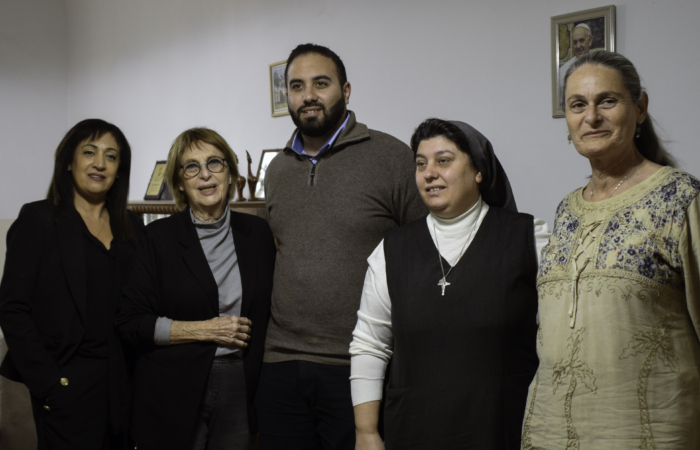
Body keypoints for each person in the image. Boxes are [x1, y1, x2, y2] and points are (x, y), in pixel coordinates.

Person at [522, 51, 700, 449]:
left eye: (607, 101)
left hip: (652, 431)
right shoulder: (567, 209)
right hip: (553, 431)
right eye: (577, 105)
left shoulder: (679, 197)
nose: (591, 117)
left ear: (640, 109)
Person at [256, 43, 427, 450]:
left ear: (346, 91)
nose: (308, 95)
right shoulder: (277, 169)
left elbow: (425, 252)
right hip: (280, 360)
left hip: (359, 364)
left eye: (321, 83)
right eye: (297, 86)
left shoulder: (391, 157)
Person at [349, 118, 550, 449]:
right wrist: (366, 432)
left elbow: (562, 339)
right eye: (420, 164)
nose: (429, 173)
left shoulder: (529, 238)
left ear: (479, 171)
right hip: (414, 431)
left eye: (443, 161)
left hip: (504, 429)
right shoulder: (392, 250)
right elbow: (370, 343)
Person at [115, 128, 276, 450]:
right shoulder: (156, 239)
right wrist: (205, 330)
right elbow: (131, 323)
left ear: (229, 173)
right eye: (191, 167)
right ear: (179, 182)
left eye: (215, 163)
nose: (205, 175)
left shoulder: (257, 234)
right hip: (171, 388)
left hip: (240, 383)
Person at [0, 119, 143, 449]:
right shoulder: (38, 220)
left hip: (123, 381)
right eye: (89, 152)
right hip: (66, 381)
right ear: (68, 161)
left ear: (120, 169)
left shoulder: (132, 226)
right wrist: (49, 385)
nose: (99, 163)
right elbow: (12, 309)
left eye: (111, 156)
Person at [559, 23, 594, 105]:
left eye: (581, 40)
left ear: (590, 40)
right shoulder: (563, 70)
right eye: (575, 42)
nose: (578, 46)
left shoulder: (600, 63)